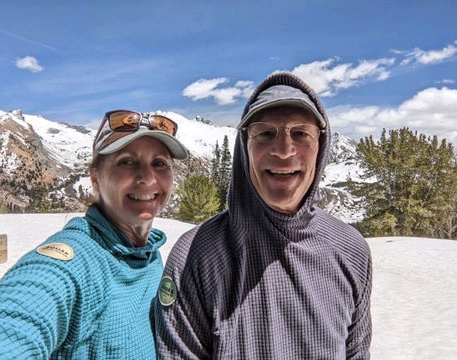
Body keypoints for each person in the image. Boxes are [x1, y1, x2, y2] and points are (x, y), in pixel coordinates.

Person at [155, 72, 372, 359]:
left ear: (321, 146)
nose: (284, 150)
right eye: (265, 133)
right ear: (244, 147)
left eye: (301, 133)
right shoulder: (195, 256)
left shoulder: (351, 250)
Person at [0, 110, 188, 359]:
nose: (147, 177)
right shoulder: (75, 260)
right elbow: (11, 321)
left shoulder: (148, 254)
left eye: (159, 163)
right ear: (95, 178)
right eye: (127, 161)